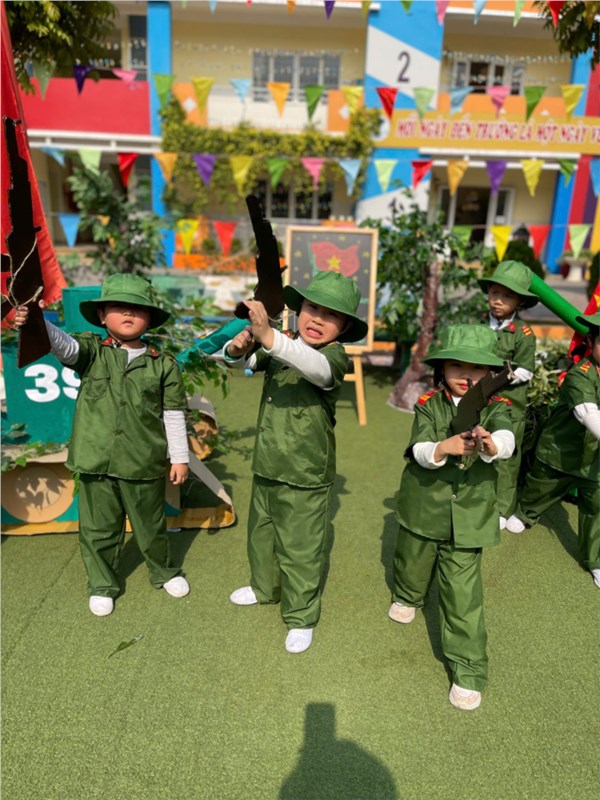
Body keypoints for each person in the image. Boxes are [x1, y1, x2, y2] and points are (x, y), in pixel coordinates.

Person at [14, 274, 190, 616]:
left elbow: (172, 413)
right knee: (98, 528)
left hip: (143, 462)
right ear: (101, 316)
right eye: (118, 306)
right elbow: (64, 345)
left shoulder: (163, 364)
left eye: (138, 308)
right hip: (96, 460)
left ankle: (164, 571)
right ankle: (102, 584)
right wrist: (36, 321)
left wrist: (180, 458)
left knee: (150, 526)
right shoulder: (92, 351)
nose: (128, 313)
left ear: (150, 318)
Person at [224, 270, 368, 654]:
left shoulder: (333, 357)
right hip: (268, 460)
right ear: (299, 309)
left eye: (331, 315)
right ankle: (263, 587)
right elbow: (240, 363)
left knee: (301, 548)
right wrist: (238, 347)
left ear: (345, 327)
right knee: (262, 534)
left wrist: (269, 336)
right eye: (312, 308)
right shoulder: (281, 343)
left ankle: (301, 615)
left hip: (306, 471)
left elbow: (315, 369)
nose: (317, 319)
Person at [389, 325, 515, 710]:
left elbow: (508, 440)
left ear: (490, 373)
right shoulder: (429, 403)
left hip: (470, 516)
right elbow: (417, 448)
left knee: (464, 596)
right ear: (441, 368)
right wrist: (442, 447)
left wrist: (492, 444)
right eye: (457, 366)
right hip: (424, 505)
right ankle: (408, 595)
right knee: (412, 561)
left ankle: (469, 670)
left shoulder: (498, 406)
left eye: (477, 369)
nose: (466, 375)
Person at [505, 313, 600, 589]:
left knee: (596, 506)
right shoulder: (580, 374)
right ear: (591, 342)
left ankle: (595, 560)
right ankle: (526, 513)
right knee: (540, 488)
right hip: (561, 451)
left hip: (594, 461)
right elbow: (587, 413)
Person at [478, 260, 538, 527]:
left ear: (520, 302)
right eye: (494, 292)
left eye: (507, 296)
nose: (498, 300)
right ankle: (476, 503)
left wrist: (501, 375)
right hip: (480, 404)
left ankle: (503, 509)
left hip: (510, 407)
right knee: (478, 453)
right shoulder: (479, 326)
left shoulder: (523, 333)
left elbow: (526, 371)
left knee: (507, 460)